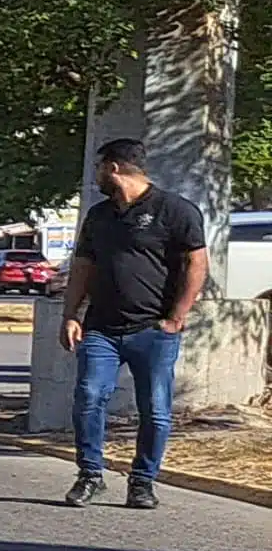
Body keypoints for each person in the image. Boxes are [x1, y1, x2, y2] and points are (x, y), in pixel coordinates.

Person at [61, 137, 209, 510]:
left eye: (98, 168)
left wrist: (176, 317)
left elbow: (197, 265)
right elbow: (83, 267)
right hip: (101, 328)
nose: (96, 176)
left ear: (113, 167)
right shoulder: (98, 216)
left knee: (156, 410)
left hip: (153, 330)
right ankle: (90, 475)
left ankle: (143, 482)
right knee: (90, 396)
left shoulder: (175, 211)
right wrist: (70, 315)